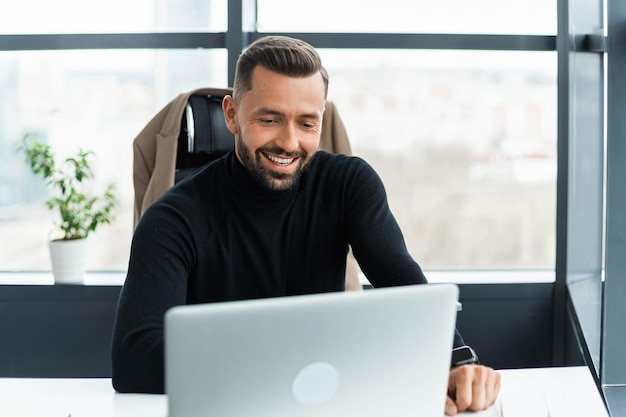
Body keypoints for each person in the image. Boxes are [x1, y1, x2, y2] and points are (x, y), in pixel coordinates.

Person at [111, 35, 500, 415]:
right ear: (232, 114)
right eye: (270, 119)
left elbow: (402, 282)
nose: (289, 142)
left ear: (322, 120)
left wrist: (459, 360)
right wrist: (284, 362)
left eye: (307, 123)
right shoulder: (173, 218)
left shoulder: (349, 185)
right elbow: (133, 359)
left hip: (324, 404)